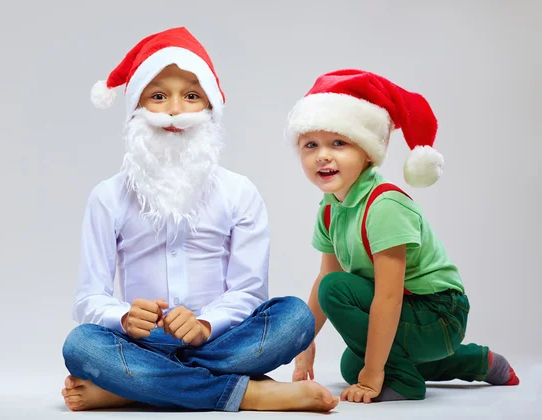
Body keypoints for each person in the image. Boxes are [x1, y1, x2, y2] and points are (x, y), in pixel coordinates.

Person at [60, 27, 338, 413]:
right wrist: (124, 317)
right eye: (158, 96)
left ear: (210, 109)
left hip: (221, 341)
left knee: (294, 319)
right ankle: (251, 394)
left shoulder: (240, 192)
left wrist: (205, 325)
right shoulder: (108, 196)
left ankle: (132, 388)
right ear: (136, 110)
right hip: (141, 344)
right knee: (81, 345)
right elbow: (89, 298)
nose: (174, 110)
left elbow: (248, 292)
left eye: (191, 96)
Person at [287, 69, 519, 403]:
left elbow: (388, 296)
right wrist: (304, 342)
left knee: (339, 298)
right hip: (410, 313)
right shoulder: (330, 208)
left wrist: (374, 374)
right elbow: (327, 271)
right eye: (311, 145)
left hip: (438, 312)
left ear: (368, 151)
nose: (323, 155)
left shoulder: (383, 205)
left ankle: (406, 383)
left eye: (339, 142)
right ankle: (477, 362)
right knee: (352, 364)